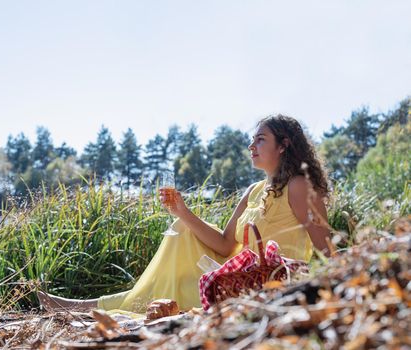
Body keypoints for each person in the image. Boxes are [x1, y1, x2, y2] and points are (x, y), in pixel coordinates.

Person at [38, 114, 332, 313]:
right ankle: (94, 306)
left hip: (270, 282)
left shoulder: (298, 185)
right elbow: (227, 245)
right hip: (234, 274)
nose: (250, 146)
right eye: (252, 140)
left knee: (177, 275)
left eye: (260, 140)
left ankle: (89, 308)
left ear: (284, 145)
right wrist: (183, 211)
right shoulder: (253, 191)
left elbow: (326, 249)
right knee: (180, 229)